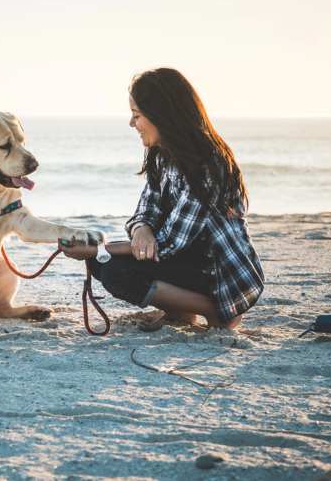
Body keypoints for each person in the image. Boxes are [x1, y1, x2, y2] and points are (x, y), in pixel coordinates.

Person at [60, 68, 264, 330]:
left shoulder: (207, 164)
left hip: (224, 276)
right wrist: (141, 230)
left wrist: (98, 248)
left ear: (162, 116)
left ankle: (218, 312)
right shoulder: (163, 155)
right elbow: (146, 209)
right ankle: (181, 312)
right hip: (189, 260)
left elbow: (170, 242)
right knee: (102, 264)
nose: (132, 124)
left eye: (137, 116)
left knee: (112, 269)